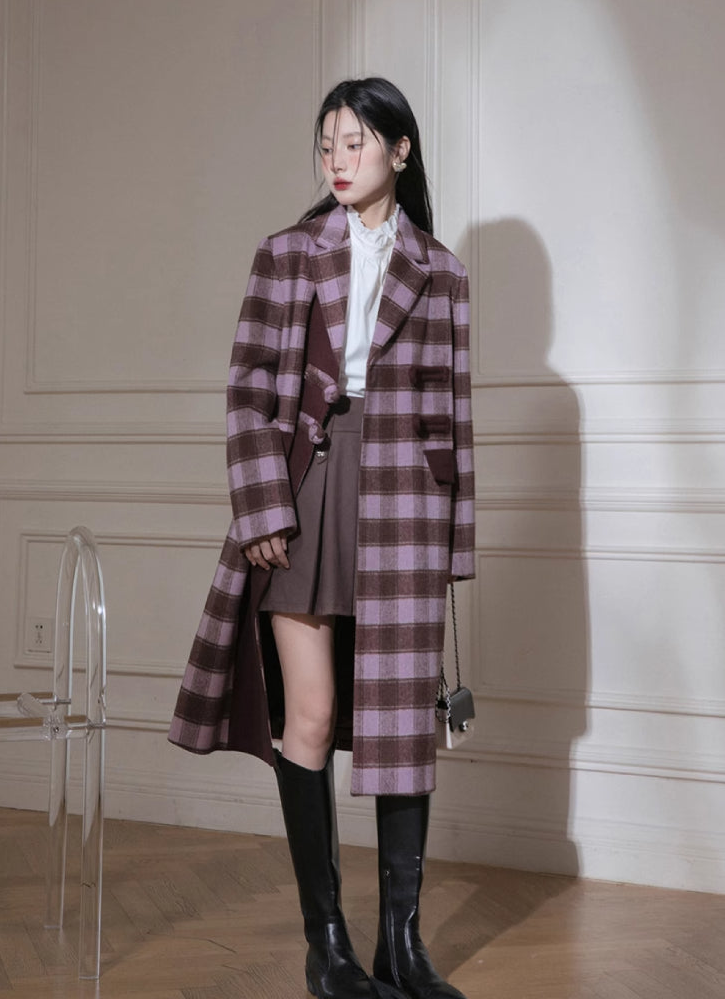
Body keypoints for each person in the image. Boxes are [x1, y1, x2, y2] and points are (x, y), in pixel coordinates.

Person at [169, 77, 475, 999]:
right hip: (307, 485)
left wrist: (453, 546)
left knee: (401, 727)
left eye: (357, 142)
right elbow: (248, 389)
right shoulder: (287, 254)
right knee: (307, 713)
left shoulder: (443, 269)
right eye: (328, 144)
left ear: (400, 150)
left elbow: (453, 417)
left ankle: (402, 950)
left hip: (406, 501)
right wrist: (263, 506)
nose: (339, 160)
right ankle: (328, 949)